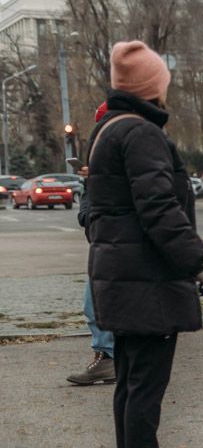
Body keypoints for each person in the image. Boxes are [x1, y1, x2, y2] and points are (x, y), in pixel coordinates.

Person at [88, 40, 203, 448]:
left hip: (123, 275)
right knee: (145, 383)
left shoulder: (108, 130)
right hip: (146, 280)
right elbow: (159, 208)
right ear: (151, 89)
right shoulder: (140, 134)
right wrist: (197, 263)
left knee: (131, 379)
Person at [67, 102, 116, 386]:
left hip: (114, 240)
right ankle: (107, 356)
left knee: (96, 302)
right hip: (104, 239)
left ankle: (109, 357)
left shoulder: (122, 147)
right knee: (94, 303)